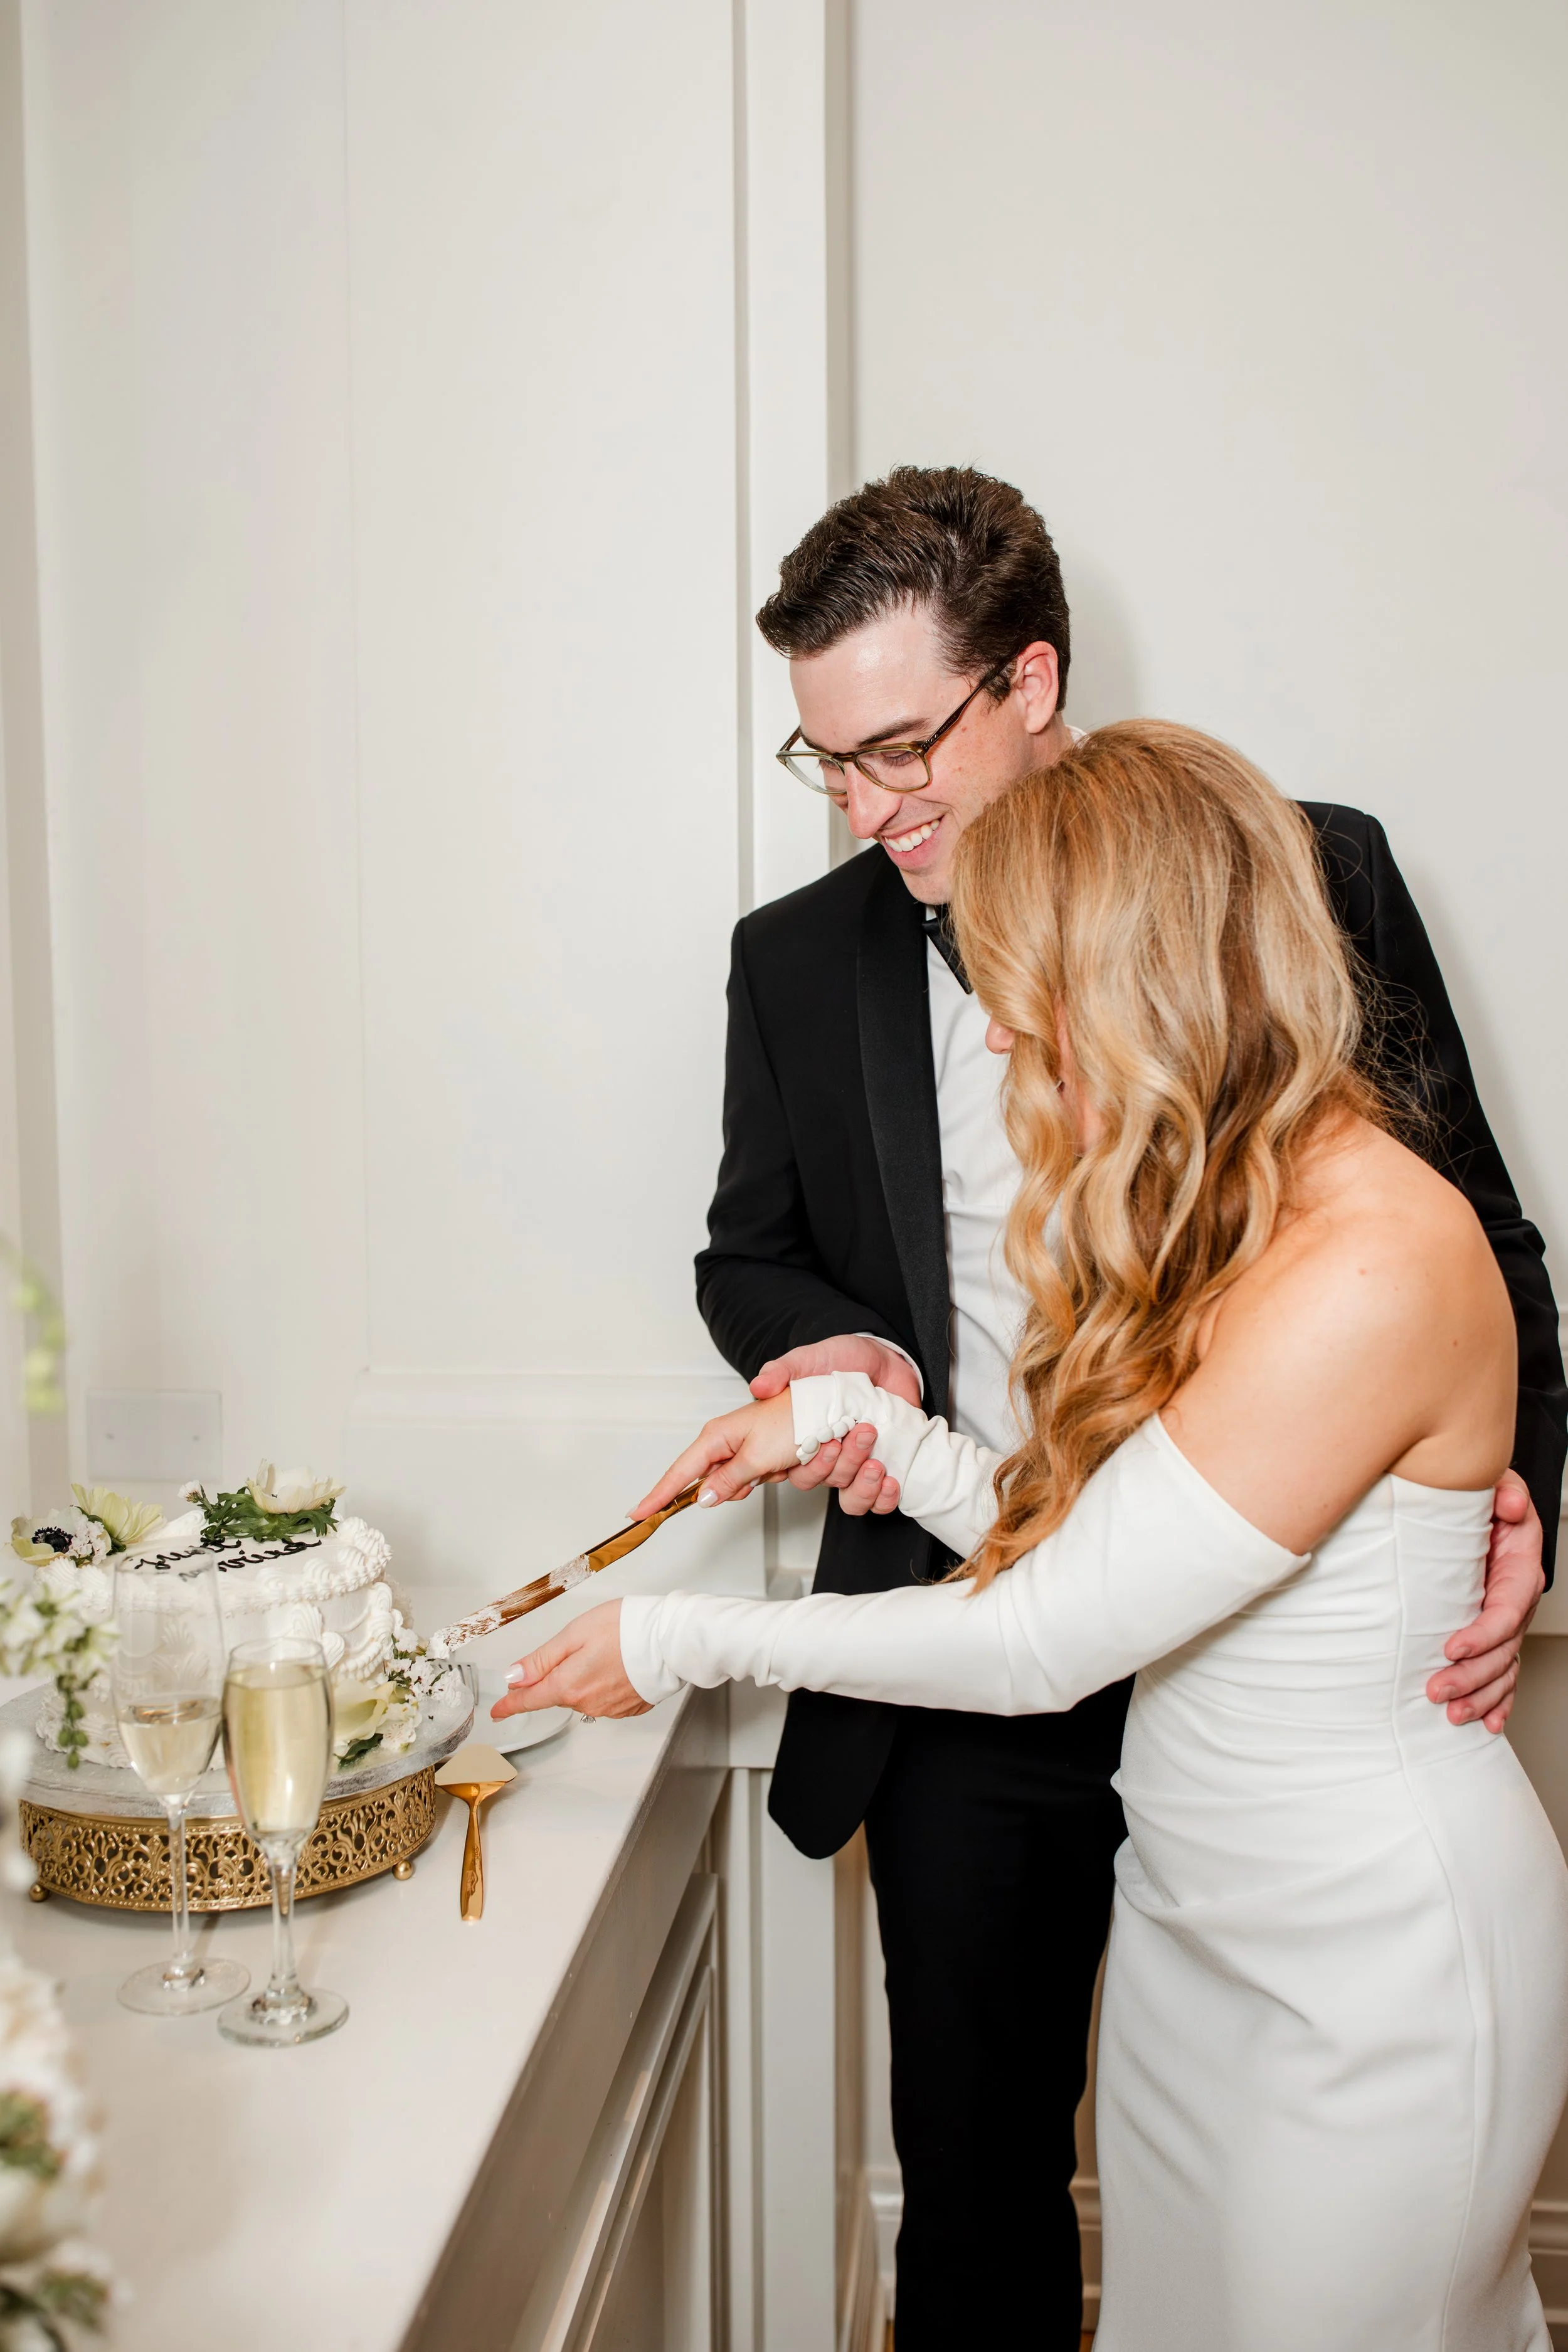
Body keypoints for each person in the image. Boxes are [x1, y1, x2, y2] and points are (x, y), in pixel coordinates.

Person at [497, 724, 1568, 2352]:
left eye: (1024, 1001)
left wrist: (676, 1637)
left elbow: (1041, 1633)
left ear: (1142, 981)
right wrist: (857, 1426)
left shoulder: (1362, 1264)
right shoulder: (1256, 1204)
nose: (995, 1037)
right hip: (1202, 1942)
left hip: (1364, 1978)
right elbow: (1109, 1540)